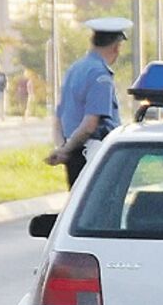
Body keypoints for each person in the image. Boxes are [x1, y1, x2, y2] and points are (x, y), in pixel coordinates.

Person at [45, 17, 132, 188]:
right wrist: (67, 150)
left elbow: (58, 117)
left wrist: (63, 148)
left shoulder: (75, 69)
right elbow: (90, 125)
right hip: (93, 154)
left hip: (73, 152)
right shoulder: (100, 75)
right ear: (117, 47)